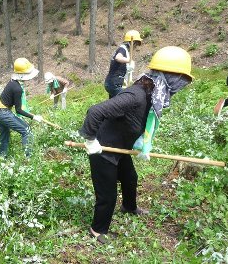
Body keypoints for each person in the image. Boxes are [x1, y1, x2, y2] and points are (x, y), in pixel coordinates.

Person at [79, 46, 193, 244]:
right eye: (180, 80)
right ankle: (97, 230)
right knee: (107, 194)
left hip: (120, 146)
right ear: (168, 77)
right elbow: (95, 111)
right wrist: (91, 141)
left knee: (130, 178)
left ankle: (129, 207)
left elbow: (140, 121)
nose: (180, 86)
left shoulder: (153, 94)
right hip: (103, 148)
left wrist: (141, 142)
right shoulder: (135, 96)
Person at [0, 58, 43, 158]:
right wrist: (34, 117)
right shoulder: (17, 88)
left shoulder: (13, 81)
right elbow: (18, 110)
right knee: (26, 130)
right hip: (3, 113)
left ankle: (2, 157)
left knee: (5, 136)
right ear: (22, 75)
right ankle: (28, 158)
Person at [104, 30, 142, 98]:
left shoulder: (124, 50)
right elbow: (118, 58)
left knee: (113, 105)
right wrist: (129, 60)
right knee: (126, 99)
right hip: (114, 84)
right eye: (136, 44)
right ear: (133, 42)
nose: (136, 47)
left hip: (111, 83)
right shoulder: (122, 49)